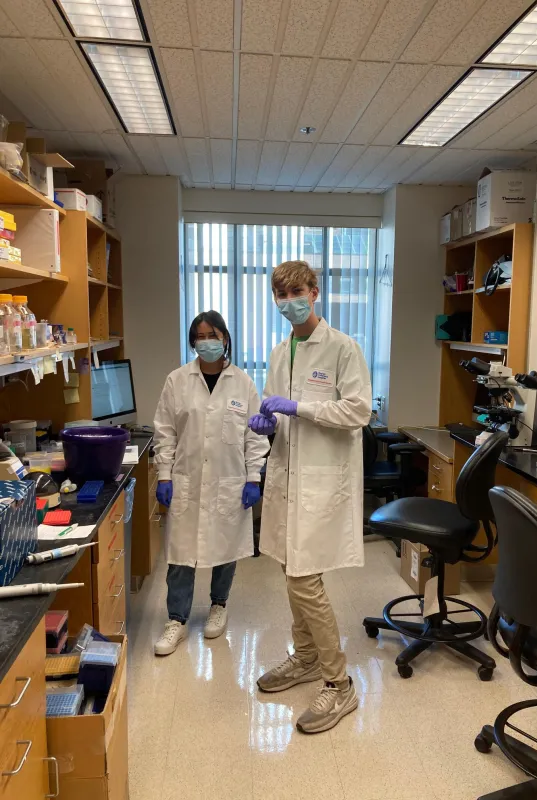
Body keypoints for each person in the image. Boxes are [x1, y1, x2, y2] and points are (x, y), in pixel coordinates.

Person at [249, 260, 372, 734]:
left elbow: (358, 410)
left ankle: (339, 685)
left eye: (296, 291)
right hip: (288, 478)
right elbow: (277, 412)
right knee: (288, 568)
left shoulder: (342, 347)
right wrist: (269, 422)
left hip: (324, 481)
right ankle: (303, 658)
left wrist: (298, 408)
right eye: (280, 295)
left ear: (315, 292)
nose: (289, 301)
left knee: (304, 579)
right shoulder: (282, 352)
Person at [153, 311, 269, 655]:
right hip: (186, 480)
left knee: (225, 548)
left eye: (213, 335)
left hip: (229, 481)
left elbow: (254, 435)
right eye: (201, 336)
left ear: (226, 339)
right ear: (193, 342)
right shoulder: (177, 380)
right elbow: (165, 431)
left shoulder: (243, 383)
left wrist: (253, 477)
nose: (207, 342)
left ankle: (219, 606)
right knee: (180, 555)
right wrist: (163, 474)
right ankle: (176, 619)